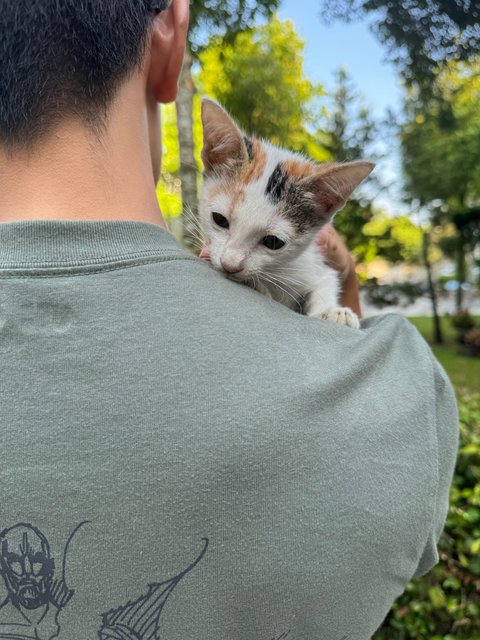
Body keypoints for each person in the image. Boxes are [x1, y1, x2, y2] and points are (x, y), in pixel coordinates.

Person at [0, 1, 458, 639]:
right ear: (170, 31)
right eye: (218, 223)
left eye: (265, 243)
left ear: (321, 218)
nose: (232, 261)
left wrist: (335, 286)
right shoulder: (401, 393)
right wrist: (347, 283)